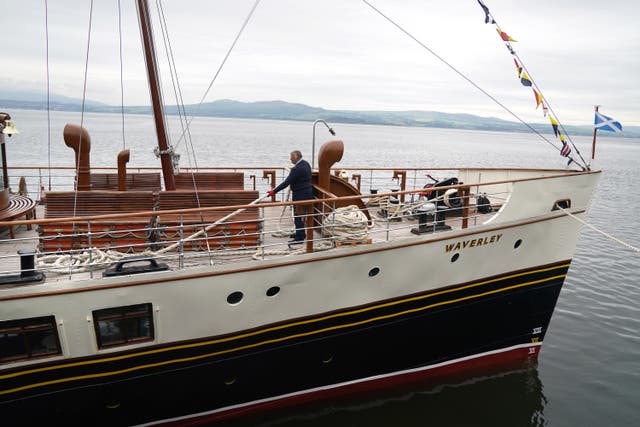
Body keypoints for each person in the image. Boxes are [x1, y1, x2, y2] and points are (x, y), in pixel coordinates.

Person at [268, 150, 312, 246]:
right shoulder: (306, 164)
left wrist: (273, 191)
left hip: (300, 195)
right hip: (307, 192)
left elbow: (287, 182)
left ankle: (299, 238)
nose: (290, 159)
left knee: (298, 216)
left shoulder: (297, 169)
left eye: (291, 157)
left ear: (296, 157)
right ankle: (301, 233)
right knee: (300, 216)